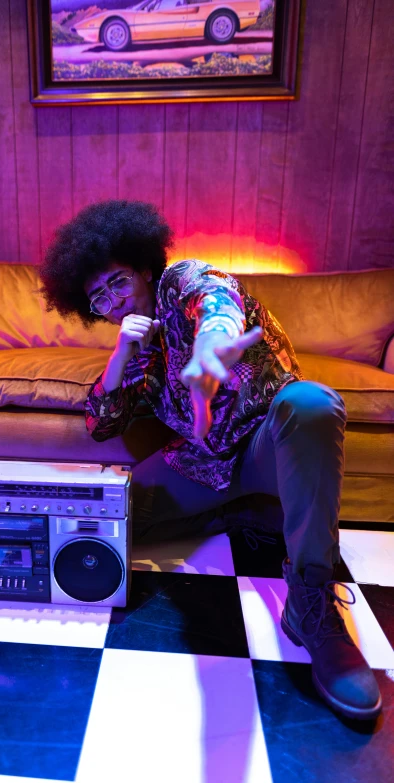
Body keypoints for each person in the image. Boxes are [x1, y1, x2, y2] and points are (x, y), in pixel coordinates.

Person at [38, 199, 382, 722]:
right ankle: (250, 514)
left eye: (119, 281)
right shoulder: (142, 353)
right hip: (201, 460)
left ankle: (311, 604)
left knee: (311, 404)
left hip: (265, 443)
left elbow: (215, 299)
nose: (112, 300)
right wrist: (119, 355)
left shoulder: (184, 282)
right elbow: (100, 423)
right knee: (112, 520)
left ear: (145, 268)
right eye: (99, 296)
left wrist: (211, 349)